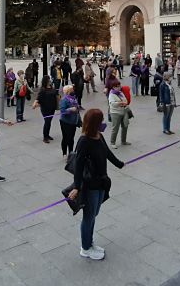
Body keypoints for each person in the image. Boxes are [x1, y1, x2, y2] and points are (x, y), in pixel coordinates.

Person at [68, 109, 124, 261]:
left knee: (94, 214)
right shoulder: (84, 140)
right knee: (89, 216)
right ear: (95, 123)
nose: (103, 122)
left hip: (101, 182)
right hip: (90, 184)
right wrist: (76, 187)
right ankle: (85, 248)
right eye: (101, 120)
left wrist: (119, 164)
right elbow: (78, 166)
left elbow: (106, 153)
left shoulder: (99, 136)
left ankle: (89, 242)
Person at [33, 76, 59, 143]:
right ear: (46, 81)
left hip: (52, 108)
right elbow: (38, 98)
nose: (50, 80)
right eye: (48, 79)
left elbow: (56, 95)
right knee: (47, 122)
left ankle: (47, 135)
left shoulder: (52, 87)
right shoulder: (43, 89)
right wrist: (35, 103)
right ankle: (45, 137)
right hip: (45, 109)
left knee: (49, 122)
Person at [108, 80, 131, 149]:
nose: (119, 87)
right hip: (115, 113)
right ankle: (112, 142)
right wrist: (120, 103)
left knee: (125, 126)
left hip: (123, 111)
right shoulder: (112, 94)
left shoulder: (120, 93)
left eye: (119, 86)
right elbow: (112, 104)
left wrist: (123, 103)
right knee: (115, 128)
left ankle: (123, 141)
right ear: (113, 87)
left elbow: (126, 100)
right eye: (117, 86)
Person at [59, 85, 81, 157]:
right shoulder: (64, 100)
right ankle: (65, 152)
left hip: (73, 121)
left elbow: (77, 108)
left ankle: (71, 153)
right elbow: (62, 111)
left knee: (71, 138)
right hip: (65, 122)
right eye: (71, 89)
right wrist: (70, 109)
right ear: (68, 91)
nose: (73, 91)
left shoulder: (74, 98)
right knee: (66, 137)